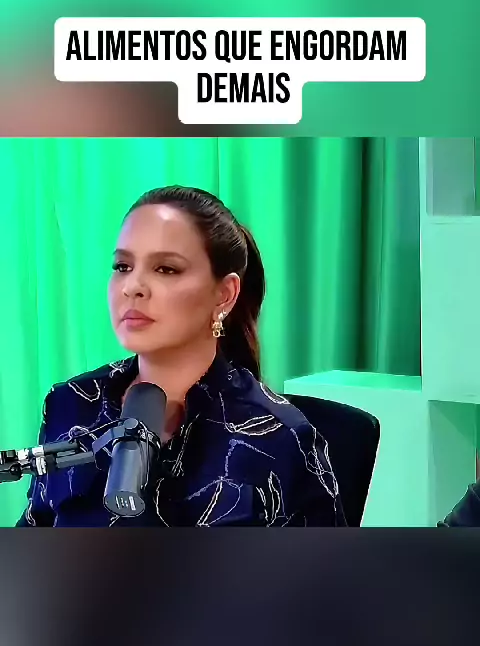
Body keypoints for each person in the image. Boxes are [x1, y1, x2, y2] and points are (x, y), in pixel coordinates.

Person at [16, 185, 346, 527]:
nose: (132, 287)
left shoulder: (282, 437)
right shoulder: (70, 404)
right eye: (123, 266)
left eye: (166, 269)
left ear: (224, 294)